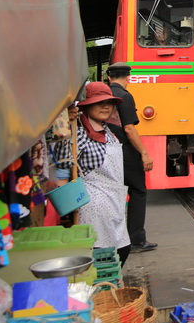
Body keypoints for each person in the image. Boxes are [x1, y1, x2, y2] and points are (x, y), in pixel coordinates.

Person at [52, 83, 131, 265]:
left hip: (115, 202)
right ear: (86, 106)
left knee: (123, 249)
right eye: (99, 103)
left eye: (109, 103)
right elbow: (64, 168)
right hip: (93, 205)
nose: (106, 107)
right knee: (102, 255)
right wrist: (69, 204)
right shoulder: (77, 133)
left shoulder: (109, 131)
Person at [105, 62, 157, 253]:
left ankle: (112, 237)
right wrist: (144, 153)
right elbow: (128, 128)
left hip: (106, 150)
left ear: (110, 78)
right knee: (138, 190)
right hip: (124, 151)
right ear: (128, 78)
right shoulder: (124, 96)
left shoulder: (105, 94)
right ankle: (136, 239)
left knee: (114, 193)